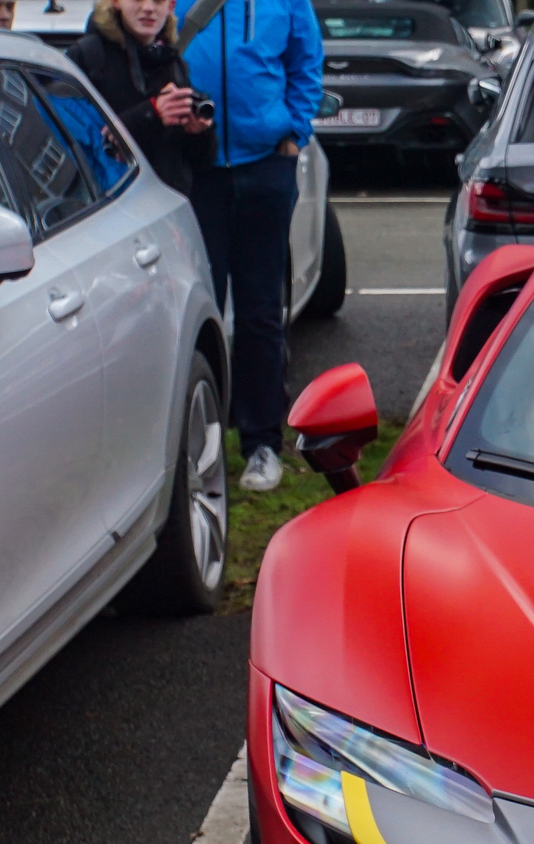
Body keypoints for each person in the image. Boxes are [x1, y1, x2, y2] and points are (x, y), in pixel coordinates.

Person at [180, 0, 324, 493]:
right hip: (197, 171)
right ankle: (201, 440)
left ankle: (262, 444)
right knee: (200, 313)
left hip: (265, 166)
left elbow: (306, 61)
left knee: (261, 311)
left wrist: (294, 132)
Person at [67, 0, 211, 199]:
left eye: (158, 1)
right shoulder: (89, 56)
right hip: (111, 208)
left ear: (170, 7)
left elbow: (198, 161)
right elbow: (76, 142)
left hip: (168, 205)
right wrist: (152, 112)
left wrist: (200, 132)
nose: (148, 8)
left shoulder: (172, 61)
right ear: (116, 2)